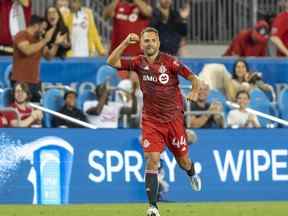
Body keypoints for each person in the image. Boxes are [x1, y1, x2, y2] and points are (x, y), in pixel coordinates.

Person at [107, 27, 201, 216]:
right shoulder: (137, 62)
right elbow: (111, 61)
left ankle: (191, 173)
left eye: (152, 40)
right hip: (151, 121)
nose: (149, 43)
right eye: (146, 41)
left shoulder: (171, 62)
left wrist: (194, 91)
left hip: (173, 120)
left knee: (183, 161)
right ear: (141, 44)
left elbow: (193, 77)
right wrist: (126, 42)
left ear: (158, 43)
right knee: (152, 160)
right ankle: (153, 207)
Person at [10, 15, 66, 102]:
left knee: (36, 109)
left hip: (35, 82)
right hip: (20, 81)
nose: (44, 32)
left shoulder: (39, 39)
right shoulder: (21, 35)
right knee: (21, 110)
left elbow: (49, 57)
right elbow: (27, 50)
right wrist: (45, 40)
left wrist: (56, 44)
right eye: (43, 28)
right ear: (36, 26)